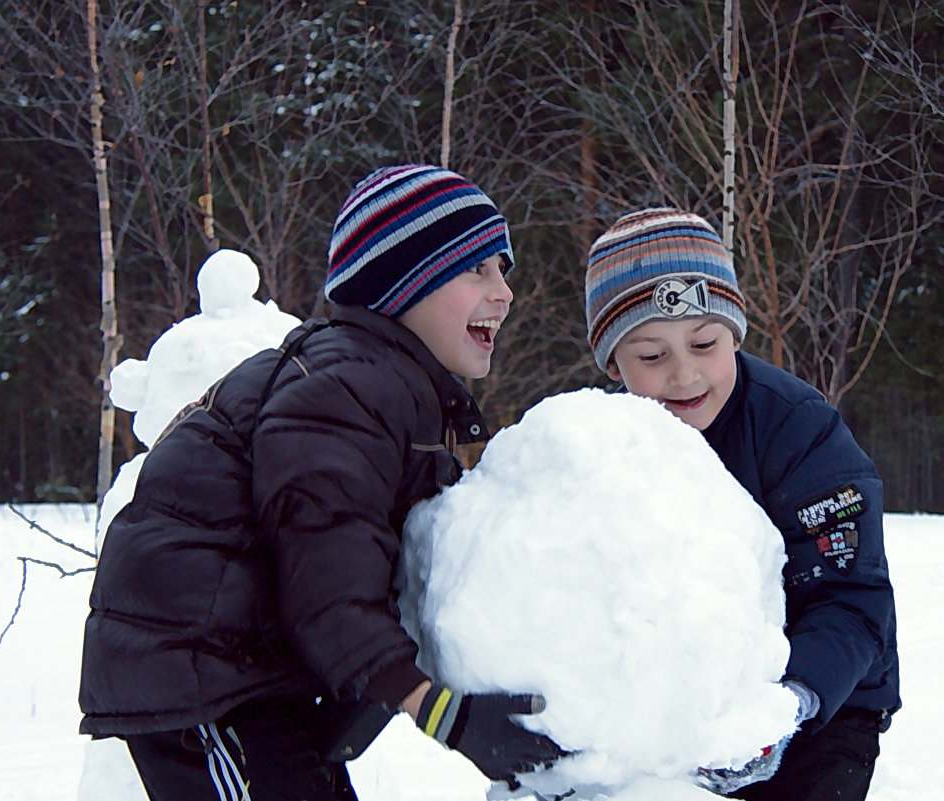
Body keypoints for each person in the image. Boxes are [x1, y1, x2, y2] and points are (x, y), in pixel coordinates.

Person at [79, 164, 566, 801]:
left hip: (252, 674)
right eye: (477, 270)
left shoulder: (388, 385)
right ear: (403, 284)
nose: (504, 293)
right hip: (202, 674)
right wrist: (444, 713)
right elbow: (328, 577)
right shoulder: (347, 387)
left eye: (503, 271)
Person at [583, 207, 900, 800]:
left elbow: (851, 598)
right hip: (684, 703)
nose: (684, 375)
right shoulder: (603, 443)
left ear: (734, 334)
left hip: (825, 699)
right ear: (613, 363)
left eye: (704, 343)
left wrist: (787, 705)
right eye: (651, 356)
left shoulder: (799, 432)